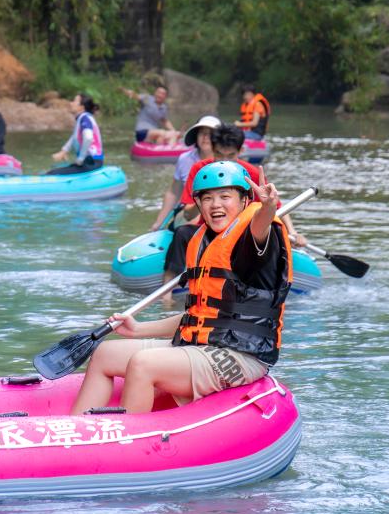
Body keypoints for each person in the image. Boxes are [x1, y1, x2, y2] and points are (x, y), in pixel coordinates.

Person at [72, 161, 292, 414]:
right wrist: (138, 329)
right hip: (201, 347)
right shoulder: (202, 240)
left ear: (244, 201)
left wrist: (266, 207)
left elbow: (260, 227)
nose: (215, 204)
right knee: (104, 354)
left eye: (225, 196)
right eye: (207, 198)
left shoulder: (255, 239)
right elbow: (201, 316)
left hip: (242, 356)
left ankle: (127, 443)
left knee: (144, 364)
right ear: (198, 204)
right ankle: (77, 432)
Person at [162, 124, 305, 285]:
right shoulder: (200, 171)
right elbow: (188, 214)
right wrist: (201, 198)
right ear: (212, 150)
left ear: (240, 152)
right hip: (210, 230)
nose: (224, 161)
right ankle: (167, 294)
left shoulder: (251, 174)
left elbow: (276, 207)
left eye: (230, 156)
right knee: (182, 232)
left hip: (241, 234)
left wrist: (292, 231)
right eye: (219, 155)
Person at [150, 114, 220, 231]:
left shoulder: (226, 160)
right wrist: (159, 223)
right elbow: (173, 193)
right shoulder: (184, 159)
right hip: (188, 212)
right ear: (196, 136)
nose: (205, 137)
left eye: (210, 133)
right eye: (202, 133)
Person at [48, 93, 103, 174]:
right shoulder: (83, 118)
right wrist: (64, 151)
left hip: (91, 162)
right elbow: (74, 137)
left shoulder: (85, 118)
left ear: (81, 107)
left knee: (52, 173)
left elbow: (88, 138)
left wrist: (81, 158)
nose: (71, 103)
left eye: (74, 101)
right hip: (91, 162)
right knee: (54, 169)